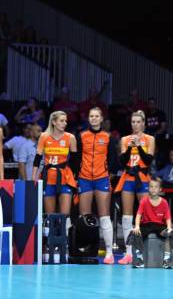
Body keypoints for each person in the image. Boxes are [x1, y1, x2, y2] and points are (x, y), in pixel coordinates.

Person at [75, 107, 120, 264]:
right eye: (91, 116)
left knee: (104, 216)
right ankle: (84, 249)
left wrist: (109, 175)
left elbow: (114, 160)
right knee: (84, 218)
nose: (94, 119)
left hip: (102, 179)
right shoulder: (81, 135)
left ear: (101, 119)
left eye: (96, 116)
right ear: (89, 118)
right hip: (84, 178)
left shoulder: (108, 137)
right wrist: (76, 176)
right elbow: (76, 157)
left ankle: (109, 253)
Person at [115, 110, 155, 265]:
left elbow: (148, 160)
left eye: (139, 122)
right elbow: (122, 161)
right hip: (128, 178)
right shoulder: (125, 139)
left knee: (146, 213)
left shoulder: (150, 139)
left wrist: (138, 147)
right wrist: (131, 146)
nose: (136, 125)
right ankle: (128, 252)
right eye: (133, 122)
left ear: (143, 123)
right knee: (127, 216)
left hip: (143, 179)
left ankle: (145, 250)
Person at [32, 111, 78, 223]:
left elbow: (76, 162)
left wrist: (75, 178)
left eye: (65, 121)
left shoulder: (70, 137)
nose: (65, 123)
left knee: (65, 217)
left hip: (65, 178)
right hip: (48, 179)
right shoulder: (44, 136)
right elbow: (37, 159)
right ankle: (50, 240)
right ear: (54, 122)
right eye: (61, 121)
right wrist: (34, 177)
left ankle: (65, 240)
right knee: (50, 216)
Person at [131, 178, 173, 269]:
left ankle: (166, 261)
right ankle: (140, 260)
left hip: (159, 225)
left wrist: (169, 228)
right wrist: (137, 226)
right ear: (148, 188)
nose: (153, 189)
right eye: (151, 187)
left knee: (167, 234)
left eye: (156, 187)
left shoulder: (164, 202)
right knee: (137, 234)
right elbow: (138, 215)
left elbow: (168, 217)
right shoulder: (144, 201)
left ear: (160, 189)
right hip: (146, 224)